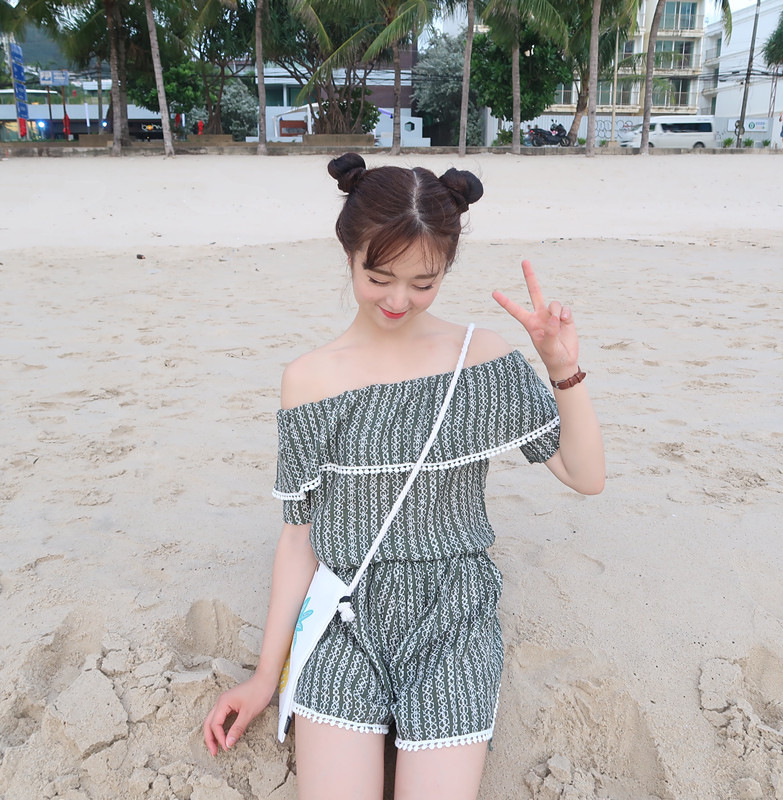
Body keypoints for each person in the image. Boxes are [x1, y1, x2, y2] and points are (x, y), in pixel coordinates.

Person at [203, 153, 605, 800]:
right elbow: (299, 536)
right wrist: (262, 677)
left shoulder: (482, 359)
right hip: (346, 613)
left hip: (454, 610)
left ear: (447, 266)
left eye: (424, 282)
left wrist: (562, 369)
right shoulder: (309, 380)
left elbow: (585, 476)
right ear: (350, 254)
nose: (398, 300)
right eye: (379, 276)